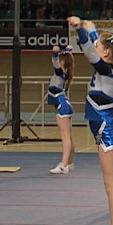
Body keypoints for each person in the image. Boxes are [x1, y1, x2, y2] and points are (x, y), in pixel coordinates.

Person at [69, 16, 113, 225]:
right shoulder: (108, 66)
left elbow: (89, 50)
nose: (96, 48)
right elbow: (97, 45)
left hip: (108, 131)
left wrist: (80, 30)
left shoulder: (106, 70)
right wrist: (92, 29)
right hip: (102, 130)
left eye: (100, 47)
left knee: (111, 185)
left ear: (106, 53)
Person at [47, 45, 76, 174]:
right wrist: (67, 51)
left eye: (60, 59)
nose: (58, 61)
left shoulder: (61, 72)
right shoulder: (64, 73)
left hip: (62, 105)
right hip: (64, 104)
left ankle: (63, 164)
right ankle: (69, 163)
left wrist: (54, 53)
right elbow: (63, 60)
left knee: (65, 137)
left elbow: (55, 62)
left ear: (63, 62)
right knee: (68, 136)